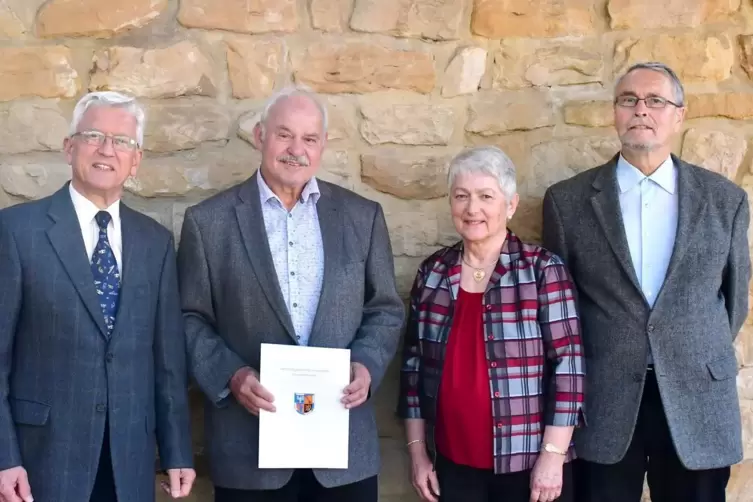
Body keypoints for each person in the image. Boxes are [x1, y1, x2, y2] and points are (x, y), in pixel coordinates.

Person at [176, 86, 405, 502]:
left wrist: (367, 366)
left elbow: (385, 309)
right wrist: (232, 375)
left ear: (323, 146)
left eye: (309, 138)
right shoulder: (208, 223)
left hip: (342, 449)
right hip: (249, 452)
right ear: (260, 135)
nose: (295, 149)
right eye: (284, 134)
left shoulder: (363, 217)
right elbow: (188, 318)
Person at [542, 61, 751, 502]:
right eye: (628, 100)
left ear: (679, 115)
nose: (641, 109)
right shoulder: (568, 201)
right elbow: (562, 308)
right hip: (605, 397)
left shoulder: (725, 200)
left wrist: (686, 342)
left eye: (656, 100)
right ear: (615, 113)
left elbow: (732, 300)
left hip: (697, 396)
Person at [0, 91, 196, 502]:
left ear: (136, 159)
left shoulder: (155, 242)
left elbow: (168, 363)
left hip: (129, 461)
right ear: (69, 147)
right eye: (93, 136)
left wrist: (178, 451)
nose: (107, 149)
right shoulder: (17, 232)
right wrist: (3, 457)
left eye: (122, 141)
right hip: (40, 461)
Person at [398, 146, 585, 502]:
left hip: (529, 467)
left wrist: (552, 457)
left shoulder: (542, 270)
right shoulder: (433, 272)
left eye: (486, 196)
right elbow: (413, 368)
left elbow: (569, 369)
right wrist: (418, 453)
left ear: (510, 205)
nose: (473, 209)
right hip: (453, 465)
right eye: (462, 196)